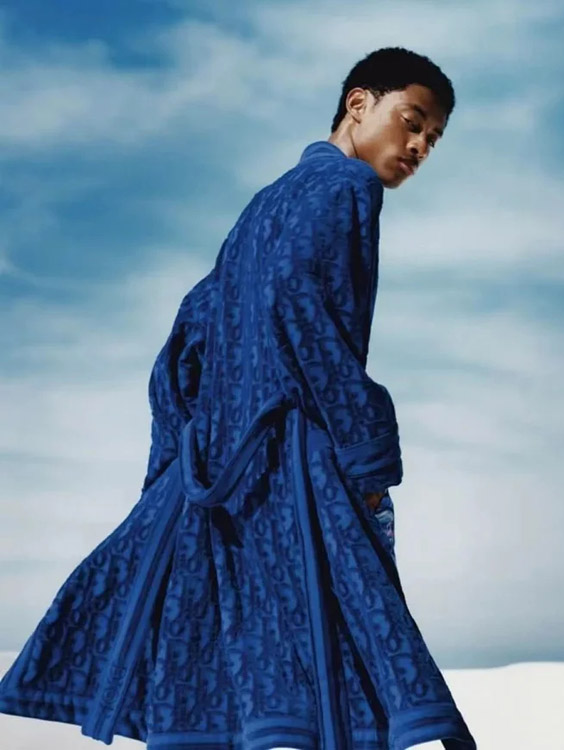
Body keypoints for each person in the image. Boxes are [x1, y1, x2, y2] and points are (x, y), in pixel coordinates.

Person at [0, 47, 477, 749]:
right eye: (412, 121)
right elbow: (296, 302)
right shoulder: (348, 187)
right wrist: (366, 451)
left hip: (224, 475)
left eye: (432, 139)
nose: (419, 147)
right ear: (358, 104)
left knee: (236, 668)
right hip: (300, 462)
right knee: (350, 657)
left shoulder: (263, 204)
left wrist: (179, 459)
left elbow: (184, 340)